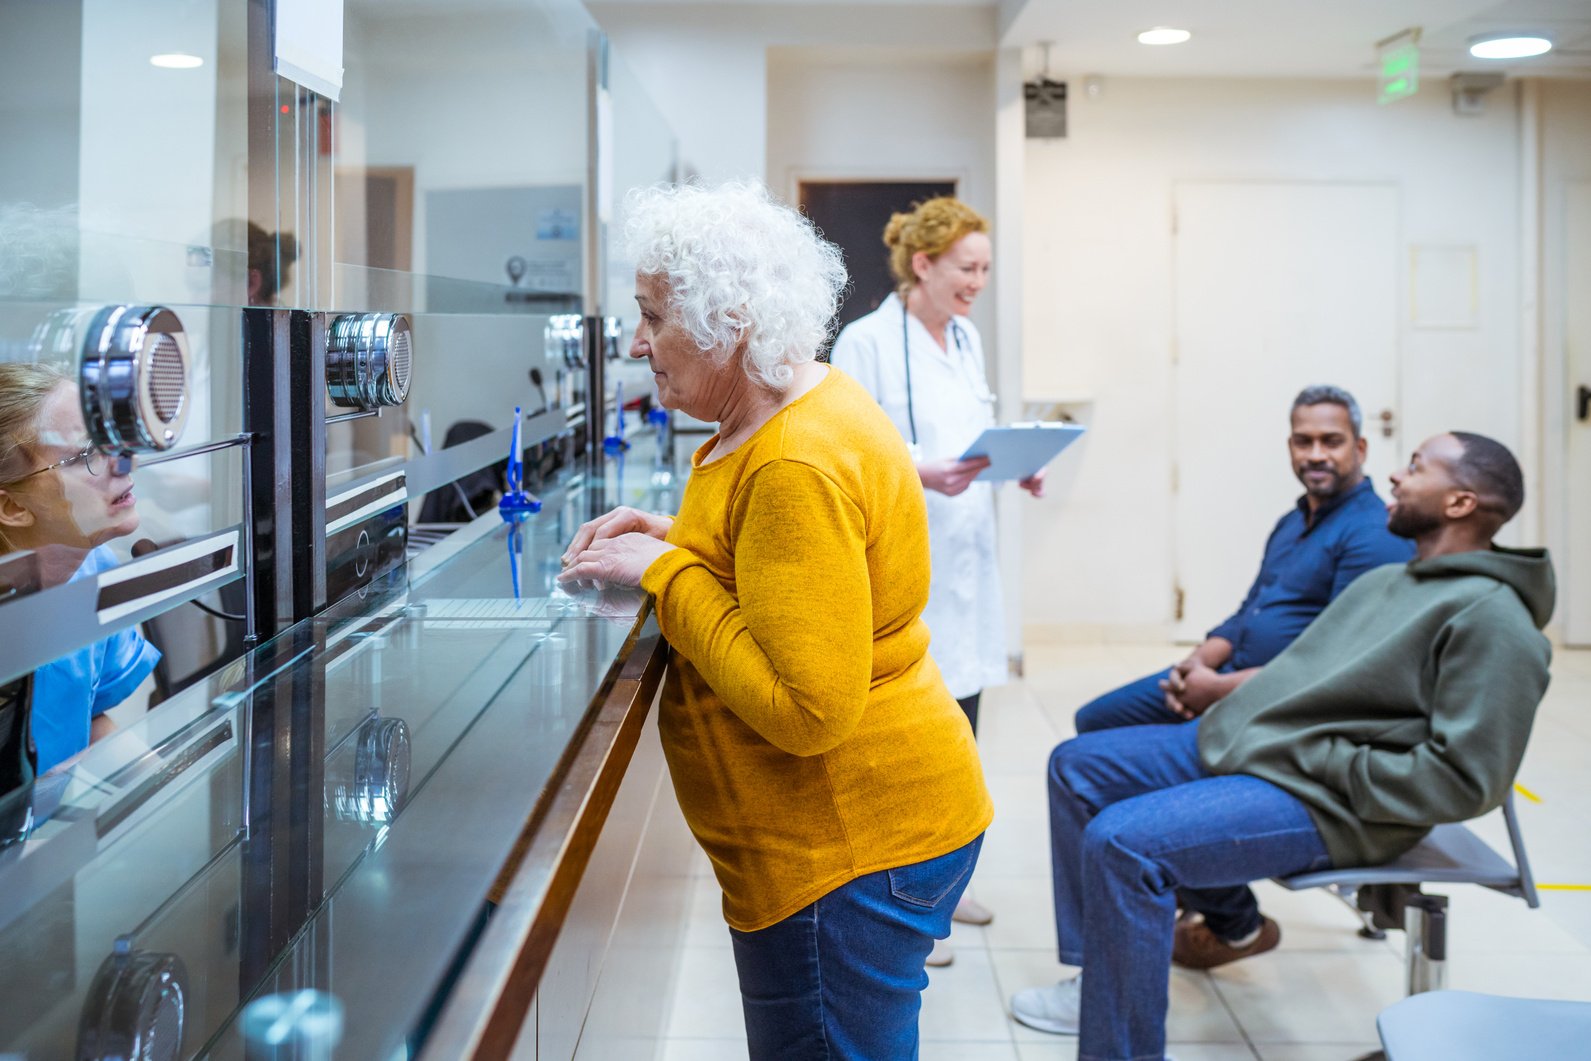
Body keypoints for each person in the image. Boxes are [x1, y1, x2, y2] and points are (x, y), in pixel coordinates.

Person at [558, 181, 992, 1060]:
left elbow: (807, 709)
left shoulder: (792, 457)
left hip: (847, 853)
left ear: (730, 321)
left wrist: (669, 569)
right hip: (877, 828)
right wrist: (680, 536)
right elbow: (795, 568)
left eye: (651, 316)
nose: (637, 342)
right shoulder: (800, 400)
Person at [1009, 432, 1553, 1061]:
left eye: (1414, 467)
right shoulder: (1391, 582)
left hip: (1333, 799)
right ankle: (1101, 979)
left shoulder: (1494, 621)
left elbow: (1464, 782)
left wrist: (1322, 758)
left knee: (1124, 841)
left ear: (1460, 502)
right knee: (1077, 767)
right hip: (1267, 751)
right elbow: (1304, 678)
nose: (1396, 479)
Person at [830, 198, 1040, 957]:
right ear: (923, 265)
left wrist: (1012, 467)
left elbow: (966, 437)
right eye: (967, 268)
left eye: (985, 269)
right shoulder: (865, 343)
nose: (978, 282)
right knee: (908, 742)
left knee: (961, 733)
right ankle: (904, 908)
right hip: (904, 561)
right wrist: (925, 469)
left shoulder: (965, 337)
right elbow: (851, 451)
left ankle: (946, 886)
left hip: (967, 556)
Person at [1076, 385, 1413, 732]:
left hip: (1278, 704)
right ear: (1290, 447)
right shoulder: (1292, 522)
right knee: (1095, 718)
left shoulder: (1373, 534)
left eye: (1331, 441)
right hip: (1229, 673)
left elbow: (1335, 664)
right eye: (1303, 441)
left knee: (1090, 759)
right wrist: (1195, 666)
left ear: (1359, 448)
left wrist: (1218, 690)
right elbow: (1248, 613)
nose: (1315, 454)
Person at [0, 362, 159, 775]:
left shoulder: (94, 570)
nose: (123, 462)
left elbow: (87, 718)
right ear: (12, 507)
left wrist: (165, 789)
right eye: (86, 454)